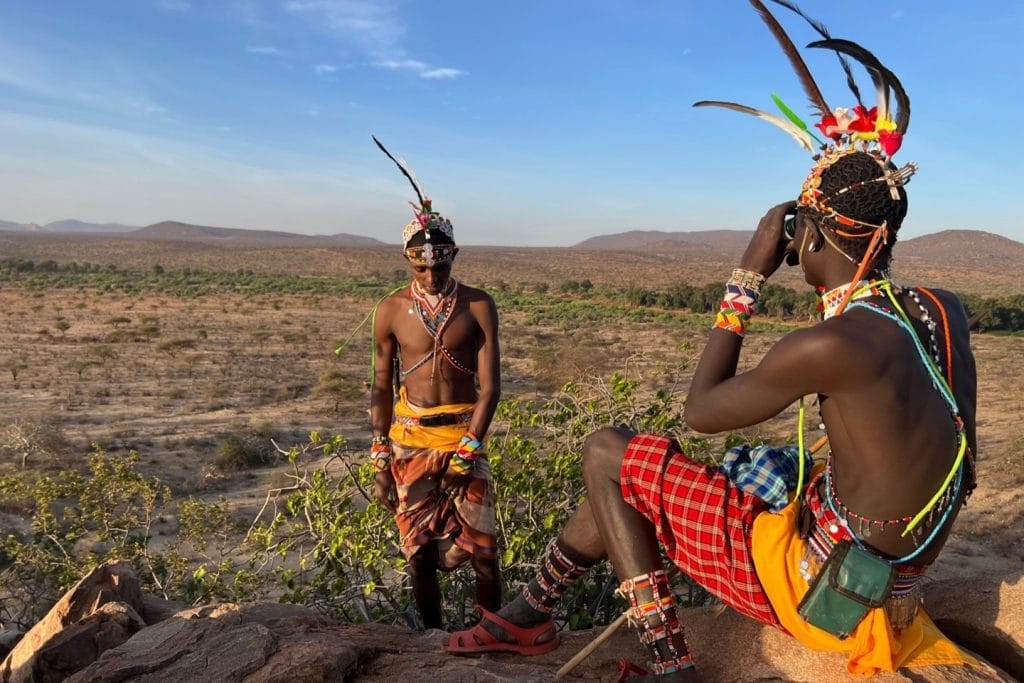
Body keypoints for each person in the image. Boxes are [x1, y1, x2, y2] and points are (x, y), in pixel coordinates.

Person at [445, 5, 979, 679]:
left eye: (797, 237)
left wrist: (748, 273)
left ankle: (673, 666)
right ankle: (531, 609)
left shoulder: (830, 344)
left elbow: (699, 410)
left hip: (825, 598)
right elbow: (959, 463)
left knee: (608, 451)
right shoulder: (943, 310)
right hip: (895, 588)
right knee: (713, 469)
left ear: (809, 235)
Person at [369, 137, 502, 630]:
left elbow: (491, 388)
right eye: (420, 264)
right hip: (409, 441)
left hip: (463, 437)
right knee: (420, 556)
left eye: (440, 263)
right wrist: (380, 460)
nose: (430, 273)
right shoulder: (390, 310)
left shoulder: (478, 305)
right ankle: (431, 643)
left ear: (454, 256)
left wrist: (468, 452)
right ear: (407, 260)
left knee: (483, 554)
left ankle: (491, 637)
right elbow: (381, 388)